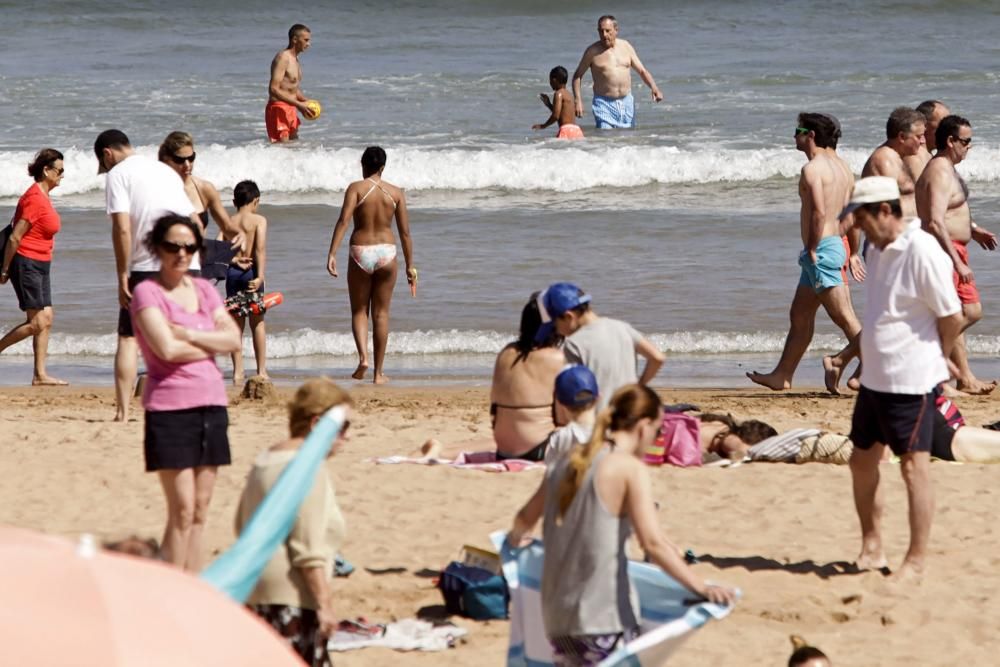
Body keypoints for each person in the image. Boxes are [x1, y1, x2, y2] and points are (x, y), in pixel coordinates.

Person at [508, 384, 736, 665]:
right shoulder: (628, 468)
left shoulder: (570, 459)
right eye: (658, 430)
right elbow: (651, 543)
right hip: (602, 615)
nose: (656, 438)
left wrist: (516, 545)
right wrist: (701, 587)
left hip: (556, 616)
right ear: (643, 426)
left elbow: (523, 521)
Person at [841, 176, 963, 580]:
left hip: (911, 381)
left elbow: (951, 316)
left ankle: (915, 559)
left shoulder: (922, 249)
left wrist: (940, 359)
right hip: (875, 380)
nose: (858, 227)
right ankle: (871, 545)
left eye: (862, 218)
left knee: (914, 468)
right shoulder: (877, 249)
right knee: (862, 462)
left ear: (887, 211)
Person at [130, 214, 242, 571]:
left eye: (189, 247)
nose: (181, 253)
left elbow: (233, 339)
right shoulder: (148, 292)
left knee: (200, 510)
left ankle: (195, 587)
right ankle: (172, 590)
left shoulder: (205, 290)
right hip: (170, 408)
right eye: (172, 246)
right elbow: (165, 350)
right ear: (156, 248)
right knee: (181, 509)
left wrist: (190, 335)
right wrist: (211, 344)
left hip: (211, 404)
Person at [237, 377, 351, 667]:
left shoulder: (264, 459)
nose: (347, 438)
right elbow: (307, 547)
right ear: (316, 424)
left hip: (256, 592)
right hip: (292, 596)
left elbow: (241, 524)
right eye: (343, 428)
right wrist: (325, 604)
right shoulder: (307, 468)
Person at [95, 128, 203, 422]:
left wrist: (122, 274)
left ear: (107, 155)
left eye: (102, 165)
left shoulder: (118, 175)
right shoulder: (165, 171)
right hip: (186, 263)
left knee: (129, 338)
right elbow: (195, 221)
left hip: (148, 266)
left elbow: (122, 228)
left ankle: (123, 412)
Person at [747, 113, 861, 391]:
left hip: (821, 250)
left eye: (798, 130)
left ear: (811, 135)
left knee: (847, 320)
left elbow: (820, 211)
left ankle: (880, 373)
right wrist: (853, 251)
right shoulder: (843, 168)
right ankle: (782, 375)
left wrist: (811, 247)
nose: (793, 135)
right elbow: (853, 212)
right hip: (833, 246)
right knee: (799, 316)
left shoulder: (812, 170)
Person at [822, 107, 927, 393]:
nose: (922, 141)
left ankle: (853, 368)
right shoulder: (884, 160)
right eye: (918, 136)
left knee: (894, 312)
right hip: (889, 247)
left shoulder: (900, 158)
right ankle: (844, 362)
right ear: (902, 136)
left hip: (902, 245)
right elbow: (864, 206)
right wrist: (846, 247)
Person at [915, 115, 997, 395]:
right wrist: (957, 260)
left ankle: (942, 374)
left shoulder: (947, 168)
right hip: (944, 251)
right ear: (950, 141)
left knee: (966, 313)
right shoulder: (939, 169)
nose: (968, 147)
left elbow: (951, 211)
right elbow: (935, 221)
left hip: (954, 249)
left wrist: (972, 230)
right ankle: (933, 376)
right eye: (965, 141)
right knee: (961, 314)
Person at [326, 147, 415, 384]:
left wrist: (332, 252)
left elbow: (344, 220)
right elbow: (405, 233)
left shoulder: (356, 188)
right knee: (381, 314)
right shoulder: (396, 193)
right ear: (383, 168)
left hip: (360, 251)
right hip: (387, 252)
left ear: (363, 165)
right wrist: (410, 266)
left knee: (359, 310)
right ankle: (378, 373)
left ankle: (363, 358)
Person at [535, 282, 664, 411]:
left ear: (569, 316)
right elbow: (657, 358)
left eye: (555, 325)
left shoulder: (574, 344)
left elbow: (577, 393)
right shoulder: (621, 327)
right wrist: (640, 385)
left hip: (601, 421)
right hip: (631, 414)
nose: (557, 331)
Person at [0, 149, 67, 385]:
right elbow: (15, 237)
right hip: (26, 262)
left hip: (40, 263)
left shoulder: (43, 195)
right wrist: (5, 269)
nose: (62, 175)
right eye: (59, 170)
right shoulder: (34, 198)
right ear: (46, 170)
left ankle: (40, 375)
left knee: (46, 317)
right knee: (38, 322)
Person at [157, 131, 245, 282]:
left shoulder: (205, 189)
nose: (187, 165)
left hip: (196, 265)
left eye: (191, 158)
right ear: (168, 160)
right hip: (167, 267)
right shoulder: (158, 190)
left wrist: (240, 235)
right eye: (180, 160)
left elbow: (227, 226)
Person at [491, 294, 566, 460]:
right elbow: (562, 419)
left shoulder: (505, 353)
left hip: (503, 449)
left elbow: (494, 409)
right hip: (538, 449)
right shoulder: (556, 358)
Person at [572, 15, 662, 129]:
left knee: (626, 140)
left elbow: (642, 71)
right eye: (601, 31)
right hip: (603, 104)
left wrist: (654, 88)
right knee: (606, 139)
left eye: (608, 31)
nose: (604, 35)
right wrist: (578, 101)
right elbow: (577, 76)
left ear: (616, 30)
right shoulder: (592, 52)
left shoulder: (626, 46)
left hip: (626, 102)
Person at [221, 180, 269, 384]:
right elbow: (259, 249)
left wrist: (233, 260)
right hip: (251, 274)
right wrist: (260, 277)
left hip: (233, 274)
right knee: (257, 323)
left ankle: (237, 371)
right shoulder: (259, 220)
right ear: (256, 200)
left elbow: (220, 250)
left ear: (234, 201)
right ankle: (261, 370)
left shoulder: (229, 222)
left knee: (236, 326)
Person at [267, 24, 318, 143]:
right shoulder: (283, 58)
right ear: (295, 39)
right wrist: (299, 105)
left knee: (294, 146)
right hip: (278, 109)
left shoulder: (295, 59)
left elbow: (292, 87)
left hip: (291, 107)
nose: (308, 44)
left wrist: (304, 101)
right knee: (282, 149)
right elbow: (273, 89)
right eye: (306, 40)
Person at [544, 365, 600, 463]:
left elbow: (549, 473)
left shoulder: (560, 438)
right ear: (599, 397)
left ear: (561, 404)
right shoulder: (610, 434)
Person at [903, 100, 950, 180]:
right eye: (944, 123)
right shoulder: (915, 157)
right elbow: (919, 191)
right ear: (924, 125)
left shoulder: (927, 154)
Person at [533, 66, 584, 140]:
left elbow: (556, 116)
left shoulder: (558, 93)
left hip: (566, 130)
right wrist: (548, 104)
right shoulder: (569, 95)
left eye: (550, 80)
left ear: (554, 80)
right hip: (576, 130)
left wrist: (543, 126)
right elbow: (561, 113)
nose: (550, 83)